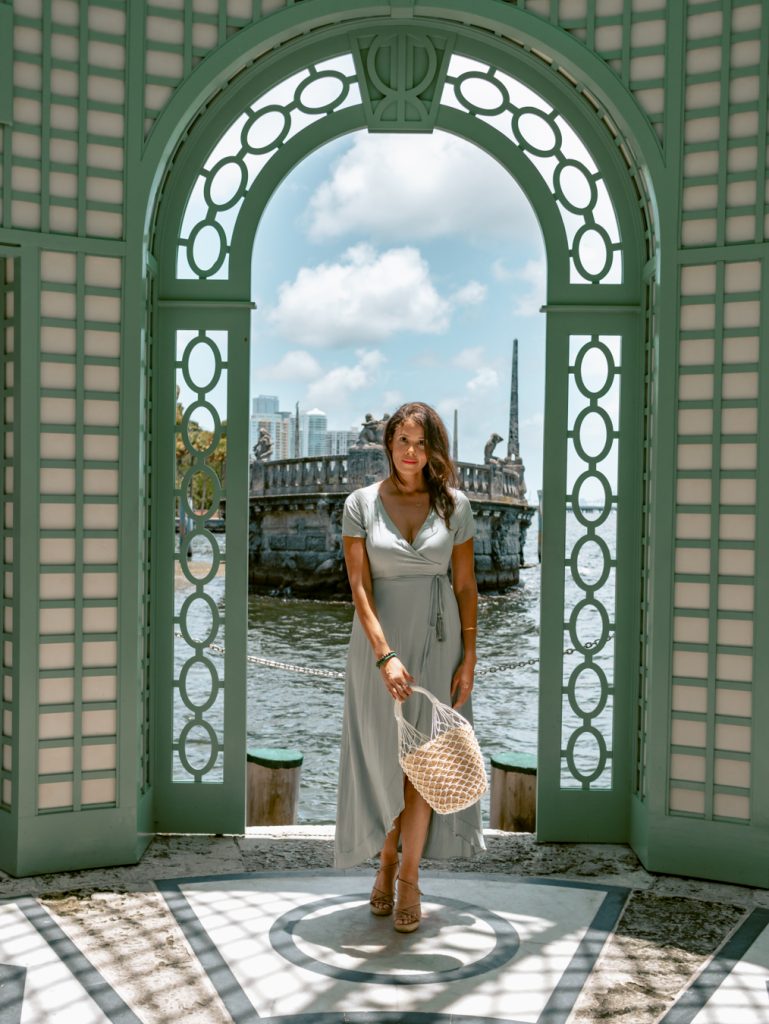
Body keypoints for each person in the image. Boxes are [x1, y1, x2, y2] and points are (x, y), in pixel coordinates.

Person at [335, 401, 484, 933]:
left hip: (440, 645)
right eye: (403, 442)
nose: (412, 453)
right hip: (379, 648)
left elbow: (466, 586)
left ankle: (408, 877)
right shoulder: (359, 504)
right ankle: (385, 858)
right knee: (384, 761)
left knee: (426, 763)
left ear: (433, 448)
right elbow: (358, 587)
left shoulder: (455, 506)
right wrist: (385, 654)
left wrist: (469, 656)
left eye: (422, 443)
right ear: (389, 445)